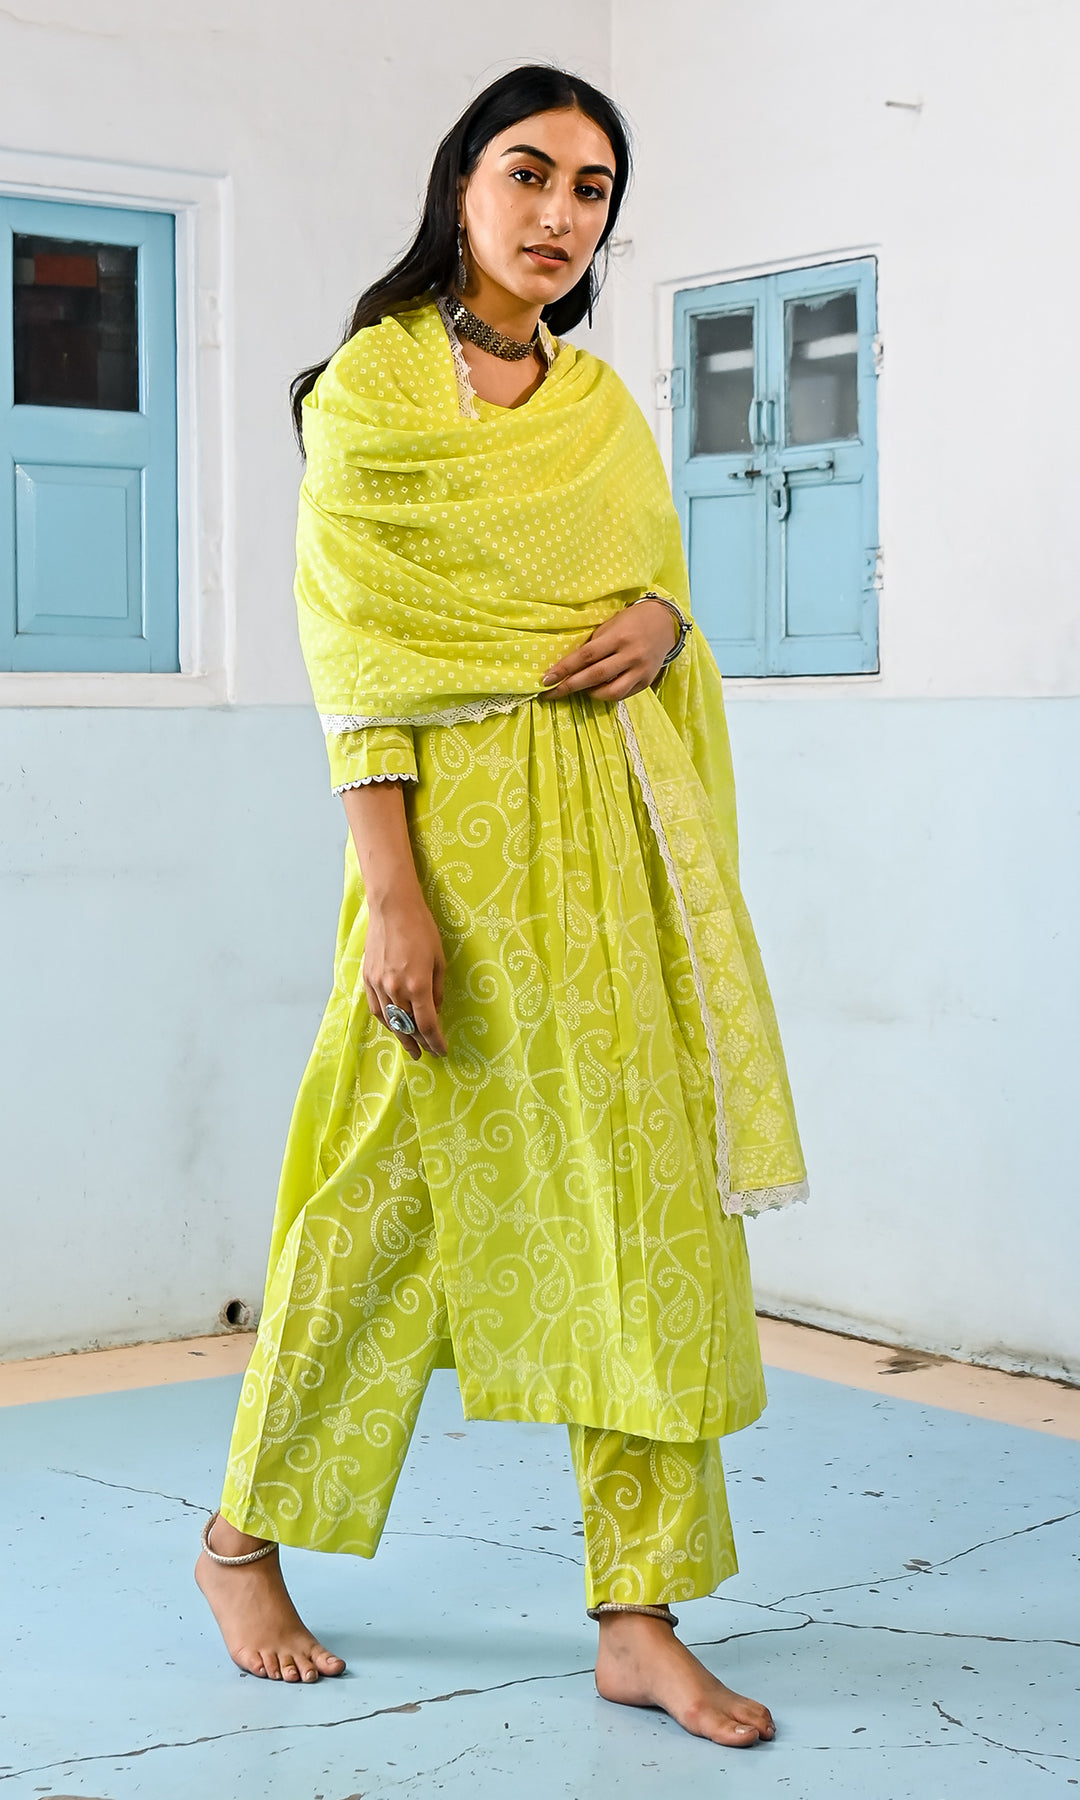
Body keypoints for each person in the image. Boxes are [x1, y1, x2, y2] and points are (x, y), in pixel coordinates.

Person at [196, 64, 808, 1749]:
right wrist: (393, 900)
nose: (557, 214)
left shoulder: (599, 406)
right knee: (377, 1207)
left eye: (590, 190)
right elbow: (356, 666)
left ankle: (640, 1616)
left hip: (617, 849)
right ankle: (241, 1541)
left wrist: (667, 623)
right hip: (451, 860)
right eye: (528, 173)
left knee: (646, 1216)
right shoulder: (376, 391)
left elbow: (651, 584)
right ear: (461, 181)